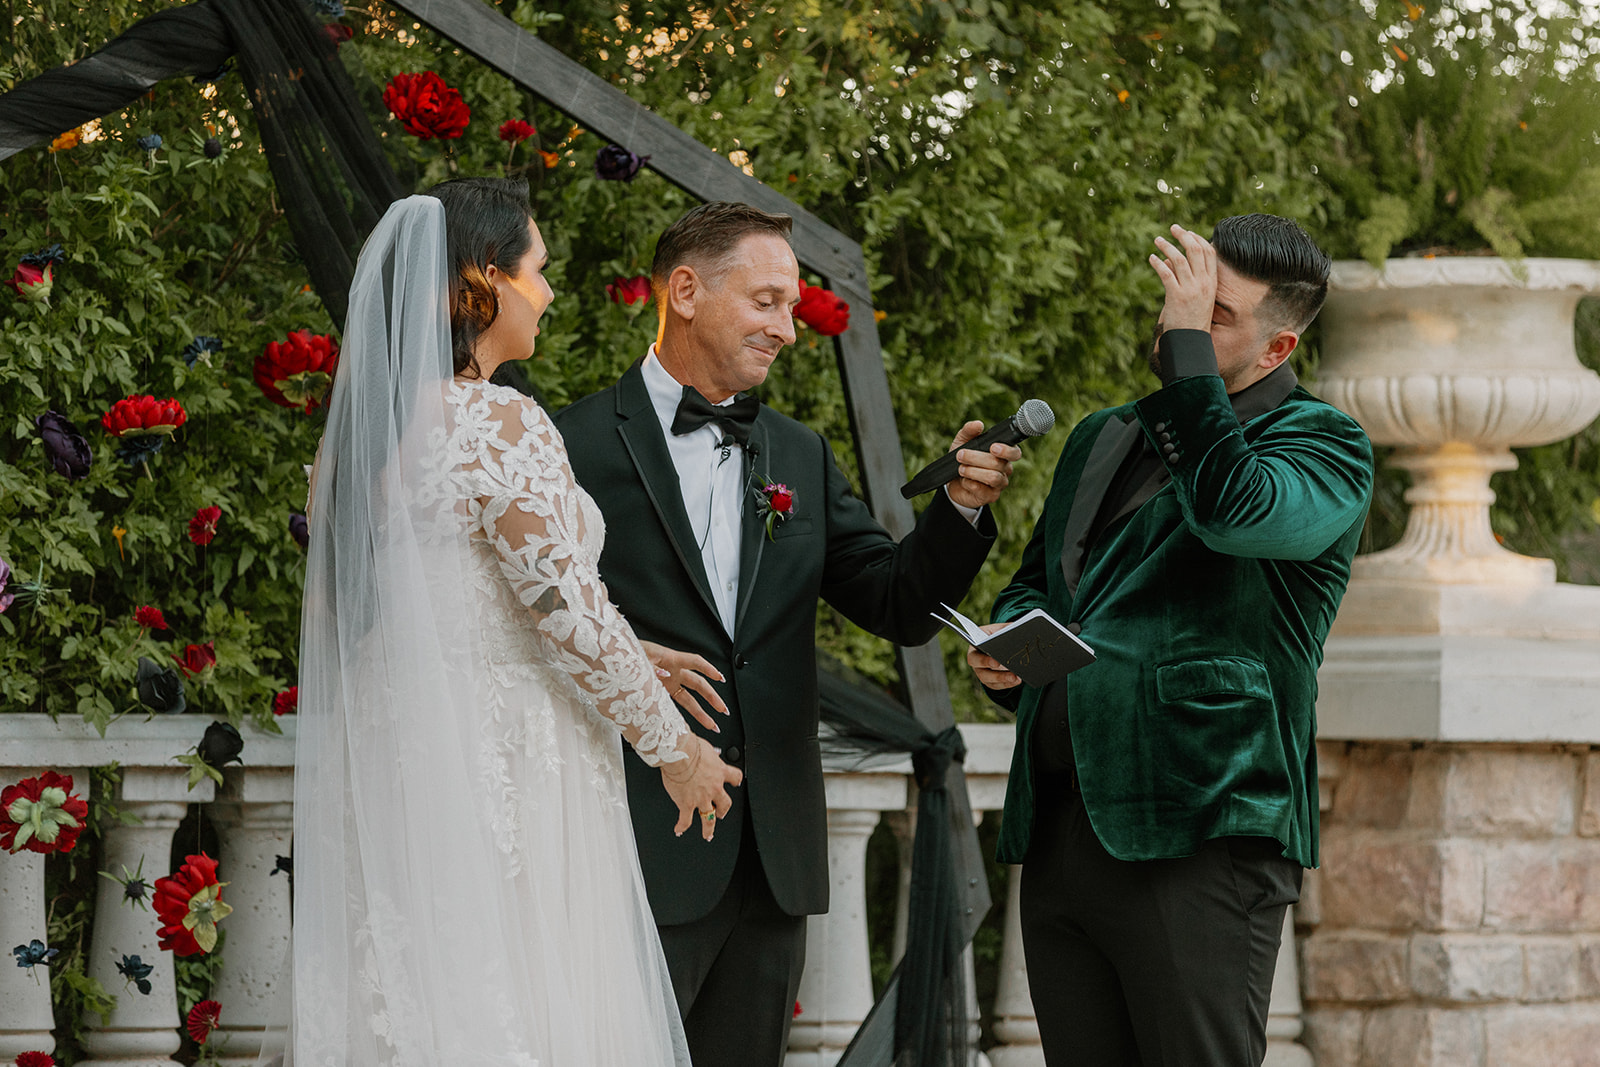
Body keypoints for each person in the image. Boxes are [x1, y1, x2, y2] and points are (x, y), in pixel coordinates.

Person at [554, 201, 1019, 1066]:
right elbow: (537, 628)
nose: (787, 329)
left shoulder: (797, 454)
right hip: (625, 844)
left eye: (792, 309)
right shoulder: (569, 442)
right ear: (686, 291)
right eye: (767, 301)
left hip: (773, 857)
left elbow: (897, 605)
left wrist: (959, 509)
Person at [288, 178, 742, 1065]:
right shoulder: (499, 420)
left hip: (407, 763)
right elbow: (564, 612)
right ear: (481, 280)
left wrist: (637, 653)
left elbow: (455, 598)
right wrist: (676, 751)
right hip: (506, 763)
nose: (549, 291)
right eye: (537, 270)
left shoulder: (361, 440)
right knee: (530, 997)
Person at [968, 215, 1374, 1067]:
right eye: (1178, 300)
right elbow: (1047, 583)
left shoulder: (1326, 444)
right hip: (1062, 832)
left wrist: (1189, 355)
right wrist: (1009, 649)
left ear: (1277, 347)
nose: (1176, 319)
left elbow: (1236, 510)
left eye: (1212, 312)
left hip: (1204, 831)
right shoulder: (1104, 435)